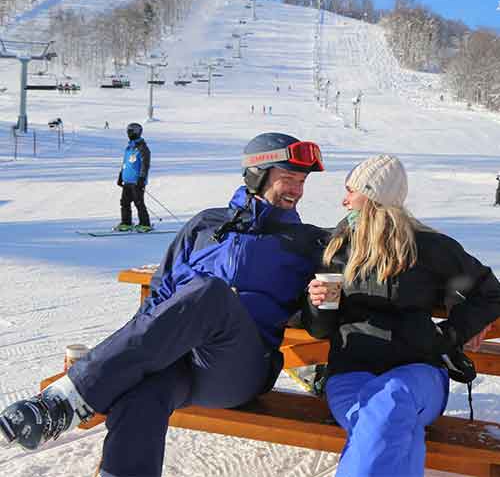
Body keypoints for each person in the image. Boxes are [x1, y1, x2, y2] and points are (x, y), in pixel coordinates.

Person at [0, 132, 328, 477]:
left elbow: (323, 317)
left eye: (302, 181)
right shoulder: (205, 225)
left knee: (212, 293)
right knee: (140, 395)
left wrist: (319, 301)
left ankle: (69, 398)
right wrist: (128, 361)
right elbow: (160, 293)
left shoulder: (307, 242)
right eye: (288, 178)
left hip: (238, 368)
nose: (296, 190)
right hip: (179, 362)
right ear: (257, 175)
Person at [303, 154, 500, 477]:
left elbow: (489, 292)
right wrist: (317, 303)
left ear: (373, 196)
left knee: (387, 405)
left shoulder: (428, 248)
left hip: (418, 374)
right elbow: (320, 329)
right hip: (351, 372)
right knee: (384, 423)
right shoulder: (336, 249)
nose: (344, 200)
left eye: (351, 191)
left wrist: (452, 333)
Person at [115, 122, 152, 233]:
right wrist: (121, 176)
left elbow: (145, 164)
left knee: (138, 203)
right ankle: (126, 223)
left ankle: (145, 224)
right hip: (127, 180)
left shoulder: (142, 148)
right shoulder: (129, 148)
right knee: (124, 202)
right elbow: (125, 163)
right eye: (128, 130)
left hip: (137, 181)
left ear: (138, 132)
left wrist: (142, 178)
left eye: (131, 130)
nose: (129, 133)